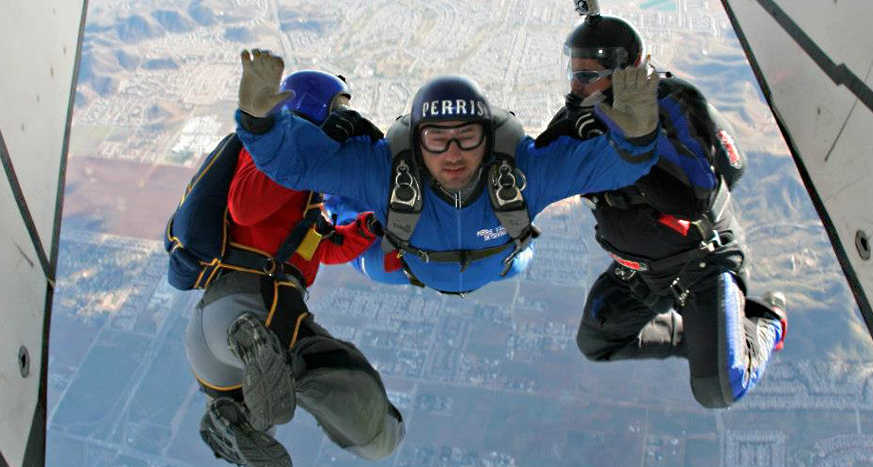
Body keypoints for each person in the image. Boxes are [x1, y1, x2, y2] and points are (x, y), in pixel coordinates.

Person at [232, 48, 662, 296]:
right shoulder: (384, 170)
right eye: (437, 139)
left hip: (475, 264)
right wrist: (260, 125)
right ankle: (353, 217)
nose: (453, 153)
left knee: (515, 263)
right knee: (362, 233)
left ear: (489, 138)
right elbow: (294, 166)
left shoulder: (522, 172)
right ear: (416, 140)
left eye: (467, 137)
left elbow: (607, 168)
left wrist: (637, 140)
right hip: (423, 265)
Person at [535, 0, 787, 409]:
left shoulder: (669, 103)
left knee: (719, 389)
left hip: (700, 263)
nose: (576, 83)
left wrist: (629, 137)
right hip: (643, 269)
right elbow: (538, 169)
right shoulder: (576, 120)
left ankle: (765, 322)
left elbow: (693, 196)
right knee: (597, 340)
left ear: (623, 72)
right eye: (574, 71)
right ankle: (709, 339)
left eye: (587, 74)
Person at [184, 70, 405, 467]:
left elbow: (320, 248)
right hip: (256, 305)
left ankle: (226, 419)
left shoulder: (298, 194)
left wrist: (370, 227)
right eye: (338, 110)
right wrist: (316, 148)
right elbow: (245, 207)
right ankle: (268, 361)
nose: (344, 119)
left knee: (255, 412)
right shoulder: (271, 153)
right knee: (374, 428)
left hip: (213, 331)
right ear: (315, 109)